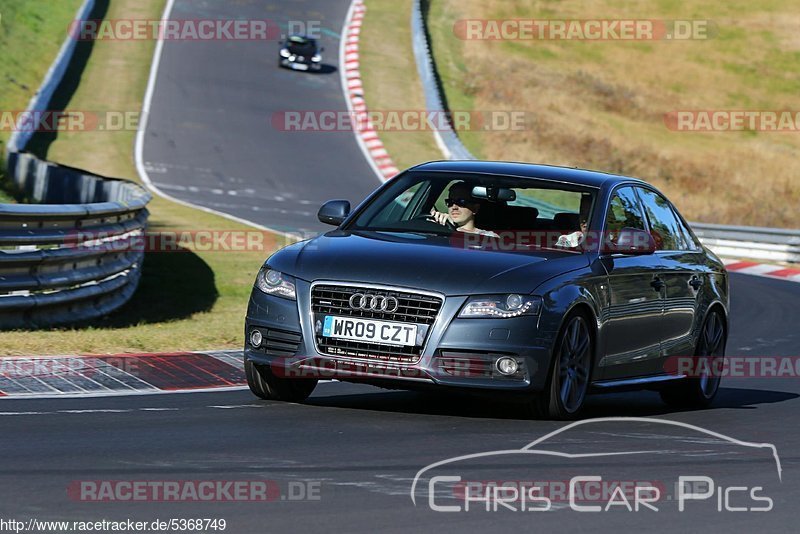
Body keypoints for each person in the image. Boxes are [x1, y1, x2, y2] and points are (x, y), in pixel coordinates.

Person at [429, 182, 498, 237]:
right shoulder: (439, 230)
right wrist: (436, 225)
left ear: (475, 208)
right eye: (450, 202)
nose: (454, 207)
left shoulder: (489, 237)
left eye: (461, 202)